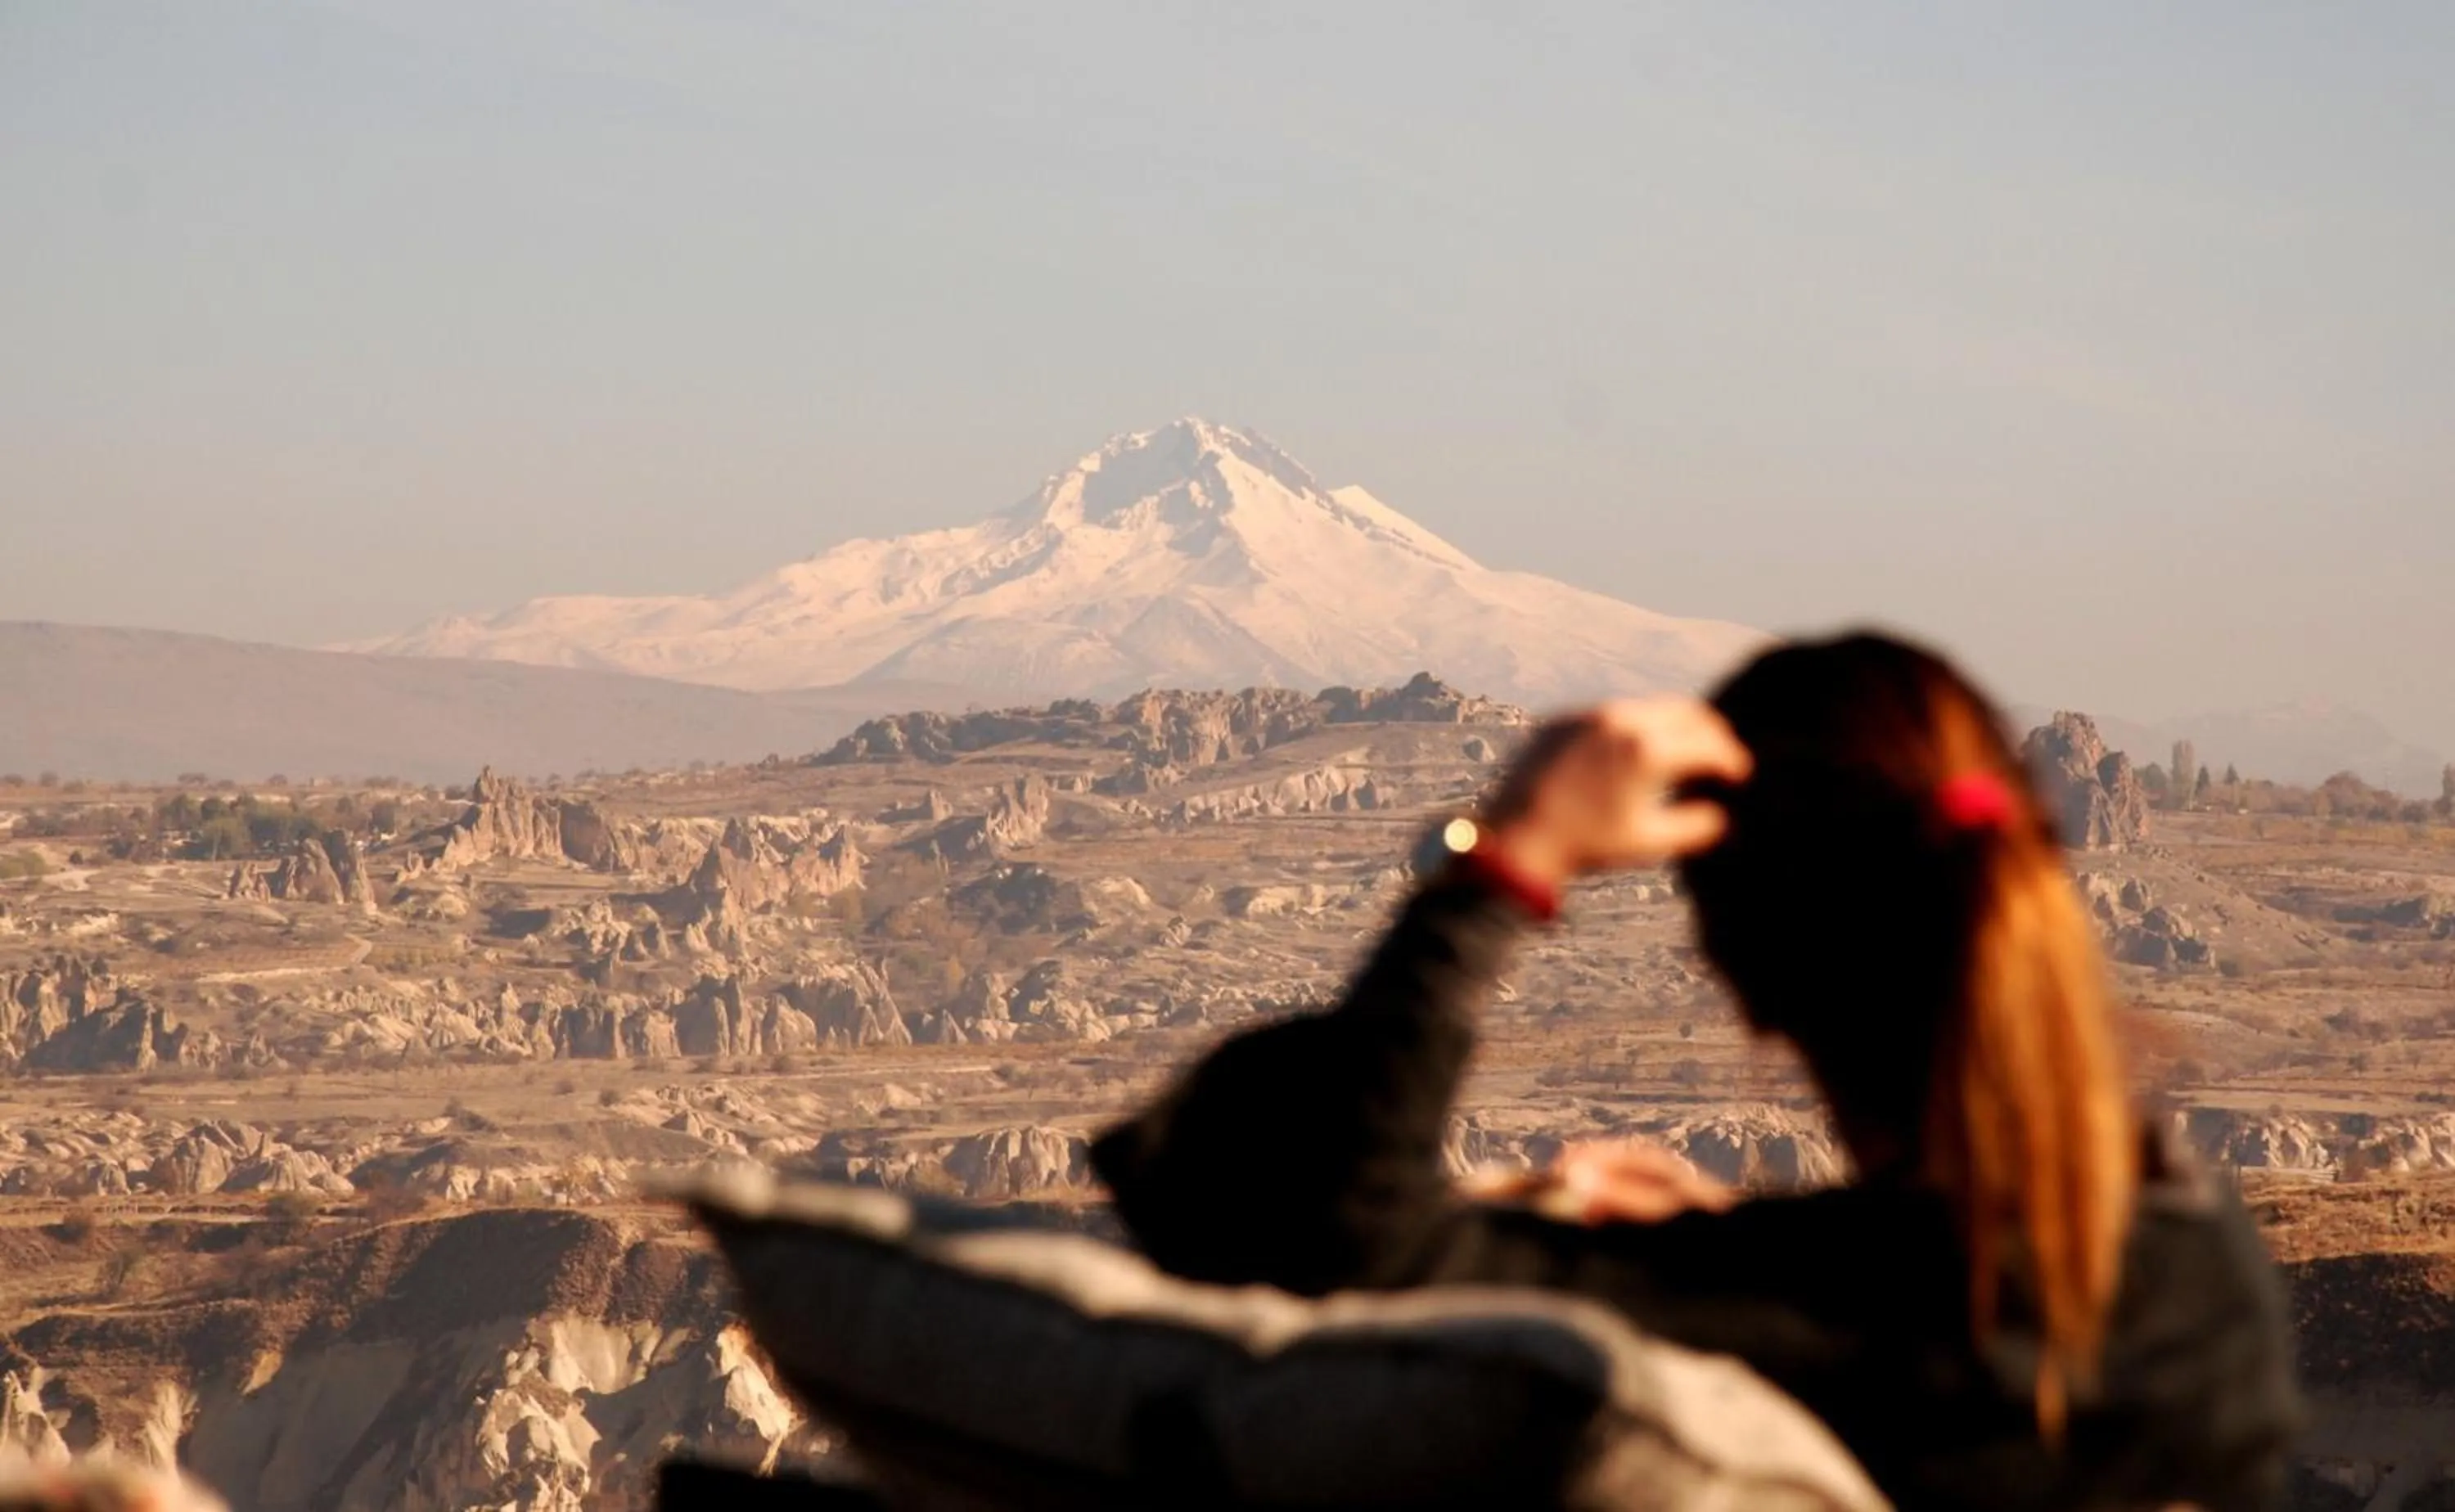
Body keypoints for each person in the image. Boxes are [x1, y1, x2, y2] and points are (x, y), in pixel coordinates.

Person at [1091, 632, 2299, 1512]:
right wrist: (1732, 1241)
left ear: (1734, 967)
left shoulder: (1827, 1311)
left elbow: (1284, 1227)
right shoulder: (2206, 1275)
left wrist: (1505, 862)